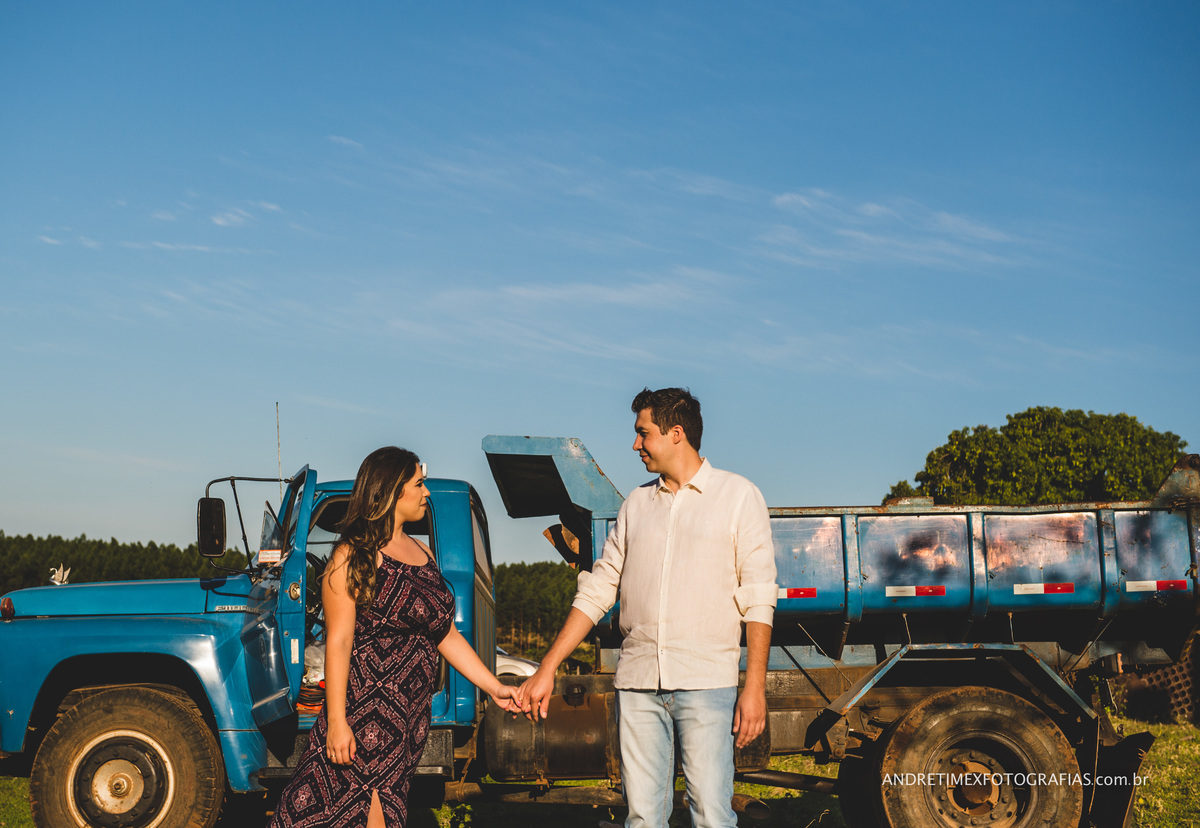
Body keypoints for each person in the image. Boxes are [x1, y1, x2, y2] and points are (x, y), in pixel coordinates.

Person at [519, 388, 777, 828]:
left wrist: (754, 688)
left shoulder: (738, 496)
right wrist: (547, 665)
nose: (635, 445)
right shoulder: (636, 504)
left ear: (676, 433)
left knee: (713, 816)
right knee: (641, 818)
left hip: (706, 685)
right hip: (637, 685)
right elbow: (598, 589)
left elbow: (758, 596)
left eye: (643, 433)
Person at [270, 447, 522, 828]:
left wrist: (493, 686)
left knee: (381, 806)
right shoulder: (352, 556)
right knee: (354, 809)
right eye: (419, 484)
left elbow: (446, 634)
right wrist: (337, 721)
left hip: (408, 716)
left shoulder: (424, 552)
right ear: (391, 492)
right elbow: (339, 642)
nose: (426, 493)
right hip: (365, 711)